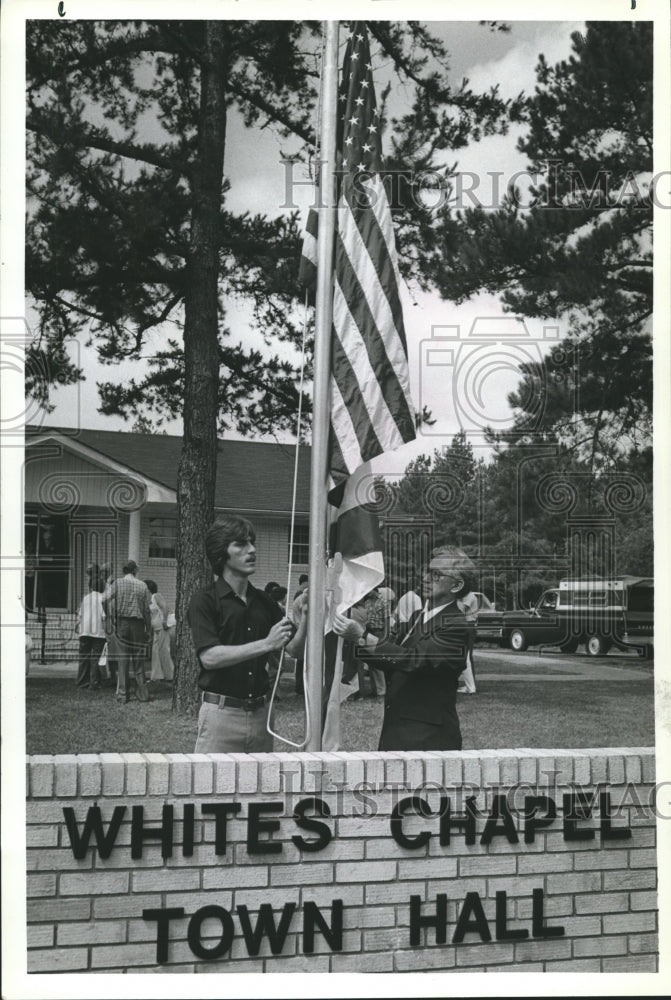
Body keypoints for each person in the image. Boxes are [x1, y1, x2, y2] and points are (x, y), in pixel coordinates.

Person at [333, 547, 475, 751]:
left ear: (456, 585)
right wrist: (354, 639)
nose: (425, 578)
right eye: (427, 572)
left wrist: (362, 636)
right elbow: (390, 658)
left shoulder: (456, 625)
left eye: (436, 575)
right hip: (397, 728)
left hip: (428, 737)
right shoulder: (418, 616)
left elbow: (413, 660)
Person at [188, 515, 308, 753]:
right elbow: (210, 658)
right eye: (241, 544)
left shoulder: (264, 602)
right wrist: (266, 643)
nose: (252, 550)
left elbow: (294, 650)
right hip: (221, 715)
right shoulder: (204, 600)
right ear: (221, 553)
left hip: (262, 715)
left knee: (260, 789)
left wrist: (305, 618)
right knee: (212, 789)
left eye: (252, 542)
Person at [104, 560, 151, 703]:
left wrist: (111, 616)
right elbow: (146, 610)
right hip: (138, 624)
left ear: (124, 570)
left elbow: (104, 599)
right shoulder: (142, 585)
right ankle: (143, 694)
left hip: (122, 623)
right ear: (135, 570)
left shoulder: (117, 583)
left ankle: (123, 695)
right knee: (138, 660)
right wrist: (148, 629)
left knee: (123, 660)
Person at [75, 568, 107, 689]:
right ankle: (94, 682)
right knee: (96, 658)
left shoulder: (86, 598)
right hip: (98, 632)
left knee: (83, 656)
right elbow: (104, 616)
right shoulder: (103, 599)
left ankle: (82, 681)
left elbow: (80, 614)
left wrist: (77, 624)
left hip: (84, 630)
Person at [145, 579, 174, 682]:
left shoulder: (156, 596)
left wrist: (165, 621)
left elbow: (165, 607)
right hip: (156, 629)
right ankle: (157, 676)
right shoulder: (148, 599)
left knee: (164, 650)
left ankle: (170, 675)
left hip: (162, 627)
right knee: (155, 652)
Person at [457, 590, 478, 695]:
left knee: (467, 657)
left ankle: (471, 685)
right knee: (466, 656)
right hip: (467, 625)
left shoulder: (470, 596)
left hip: (469, 625)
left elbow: (461, 609)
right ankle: (470, 684)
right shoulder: (467, 596)